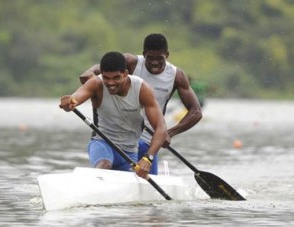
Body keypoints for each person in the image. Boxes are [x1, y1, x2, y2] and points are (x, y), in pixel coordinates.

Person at [79, 33, 202, 175]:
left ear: (167, 55)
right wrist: (90, 71)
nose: (154, 62)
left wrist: (170, 133)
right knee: (105, 169)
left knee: (148, 185)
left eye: (159, 58)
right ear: (144, 54)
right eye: (150, 58)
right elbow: (106, 66)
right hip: (122, 139)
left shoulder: (177, 76)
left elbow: (196, 111)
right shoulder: (131, 62)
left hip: (149, 143)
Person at [59, 51, 167, 179]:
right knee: (104, 166)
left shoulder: (142, 89)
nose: (110, 83)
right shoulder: (96, 84)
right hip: (102, 143)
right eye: (106, 78)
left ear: (126, 74)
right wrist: (69, 103)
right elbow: (75, 99)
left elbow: (161, 128)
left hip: (129, 151)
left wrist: (148, 158)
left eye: (116, 77)